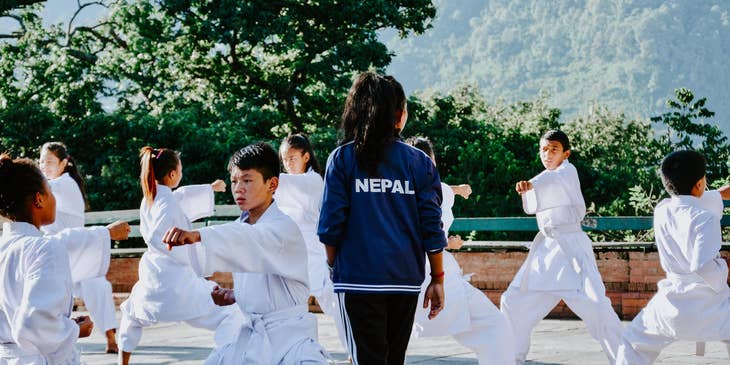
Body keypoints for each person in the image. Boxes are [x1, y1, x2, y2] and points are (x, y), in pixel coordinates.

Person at [316, 72, 446, 365]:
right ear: (399, 115)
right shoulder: (420, 163)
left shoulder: (343, 159)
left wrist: (334, 266)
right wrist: (437, 278)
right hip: (405, 280)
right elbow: (432, 228)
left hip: (358, 280)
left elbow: (330, 229)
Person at [163, 142, 328, 365]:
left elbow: (248, 240)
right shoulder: (241, 227)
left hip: (291, 342)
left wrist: (199, 235)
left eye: (247, 180)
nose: (238, 188)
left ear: (273, 184)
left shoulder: (282, 228)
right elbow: (252, 259)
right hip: (250, 337)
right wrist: (236, 295)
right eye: (234, 181)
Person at [500, 129, 622, 364]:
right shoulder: (546, 176)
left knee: (597, 307)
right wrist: (531, 187)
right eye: (543, 149)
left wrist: (530, 184)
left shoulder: (567, 172)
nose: (547, 154)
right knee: (513, 302)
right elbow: (534, 202)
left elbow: (548, 181)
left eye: (553, 149)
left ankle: (624, 359)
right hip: (546, 252)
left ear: (566, 153)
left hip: (571, 249)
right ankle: (512, 358)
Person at [117, 147, 244, 365]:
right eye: (180, 169)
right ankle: (222, 358)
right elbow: (173, 218)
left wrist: (208, 188)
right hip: (178, 284)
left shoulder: (151, 197)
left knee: (131, 313)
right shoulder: (168, 204)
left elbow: (181, 195)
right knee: (231, 313)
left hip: (153, 279)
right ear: (173, 174)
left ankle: (123, 361)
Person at [0, 153, 129, 364]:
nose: (55, 198)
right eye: (50, 191)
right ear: (39, 199)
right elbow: (35, 324)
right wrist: (74, 330)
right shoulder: (45, 248)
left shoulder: (5, 247)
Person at [406, 136, 515, 364]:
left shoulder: (400, 192)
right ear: (432, 162)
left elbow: (446, 192)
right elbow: (425, 233)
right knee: (495, 327)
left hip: (401, 276)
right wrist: (447, 243)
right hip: (434, 276)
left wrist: (459, 190)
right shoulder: (433, 191)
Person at [616, 150, 730, 365]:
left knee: (632, 343)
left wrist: (715, 192)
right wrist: (726, 266)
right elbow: (703, 266)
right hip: (710, 306)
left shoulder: (662, 210)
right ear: (700, 183)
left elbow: (700, 197)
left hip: (669, 306)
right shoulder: (706, 218)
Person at [38, 141, 119, 353]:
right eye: (41, 161)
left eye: (49, 161)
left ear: (64, 163)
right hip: (65, 250)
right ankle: (109, 338)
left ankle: (110, 338)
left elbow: (39, 188)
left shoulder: (63, 184)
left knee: (95, 287)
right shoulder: (52, 184)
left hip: (71, 250)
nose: (43, 165)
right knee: (96, 286)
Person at [277, 134, 348, 350]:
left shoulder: (312, 181)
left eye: (292, 158)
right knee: (288, 304)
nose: (288, 163)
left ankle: (354, 348)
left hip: (315, 253)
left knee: (332, 302)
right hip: (294, 254)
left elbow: (280, 183)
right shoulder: (294, 182)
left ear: (306, 156)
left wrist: (261, 173)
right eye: (285, 159)